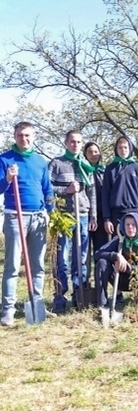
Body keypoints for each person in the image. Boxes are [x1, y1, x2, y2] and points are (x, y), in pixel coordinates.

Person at [0, 122, 54, 327]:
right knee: (12, 265)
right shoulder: (5, 159)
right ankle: (8, 311)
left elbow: (47, 190)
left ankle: (36, 305)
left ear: (34, 136)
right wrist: (7, 178)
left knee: (38, 265)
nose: (24, 139)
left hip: (38, 217)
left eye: (28, 135)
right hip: (15, 217)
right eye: (20, 135)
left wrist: (51, 213)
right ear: (15, 136)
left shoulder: (40, 161)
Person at [49, 130, 97, 312]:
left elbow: (92, 193)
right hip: (63, 217)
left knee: (81, 259)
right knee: (62, 260)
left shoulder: (86, 166)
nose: (75, 145)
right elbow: (47, 188)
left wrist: (93, 215)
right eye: (72, 142)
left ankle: (80, 297)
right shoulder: (57, 164)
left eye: (78, 142)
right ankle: (60, 298)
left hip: (83, 216)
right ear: (66, 143)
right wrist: (66, 191)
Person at [94, 212, 138, 307]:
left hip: (137, 280)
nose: (130, 227)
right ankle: (103, 304)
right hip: (119, 279)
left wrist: (129, 268)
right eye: (127, 224)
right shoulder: (119, 240)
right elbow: (97, 254)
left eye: (133, 224)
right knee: (102, 262)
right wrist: (116, 256)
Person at [102, 136, 138, 237]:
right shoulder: (110, 169)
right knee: (119, 244)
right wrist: (107, 219)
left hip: (136, 212)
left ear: (130, 149)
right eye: (120, 148)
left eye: (125, 147)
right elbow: (105, 194)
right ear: (116, 150)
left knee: (136, 246)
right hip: (117, 214)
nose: (123, 150)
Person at [84, 141, 110, 253]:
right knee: (84, 251)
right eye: (90, 152)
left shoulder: (105, 172)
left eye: (95, 151)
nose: (93, 154)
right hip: (85, 214)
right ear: (85, 154)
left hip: (101, 216)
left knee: (101, 250)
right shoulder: (82, 170)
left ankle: (99, 271)